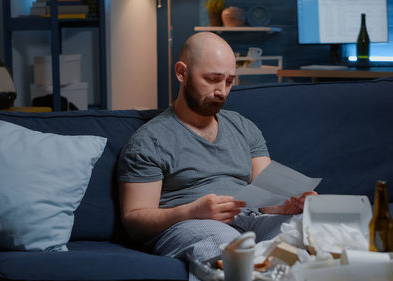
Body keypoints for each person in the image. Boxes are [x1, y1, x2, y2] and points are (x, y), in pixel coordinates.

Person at [117, 32, 316, 281]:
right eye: (212, 80)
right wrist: (191, 211)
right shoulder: (149, 141)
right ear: (181, 73)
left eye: (229, 81)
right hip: (190, 225)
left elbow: (267, 200)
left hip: (249, 220)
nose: (222, 91)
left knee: (309, 228)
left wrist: (289, 205)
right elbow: (134, 220)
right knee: (228, 246)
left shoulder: (243, 127)